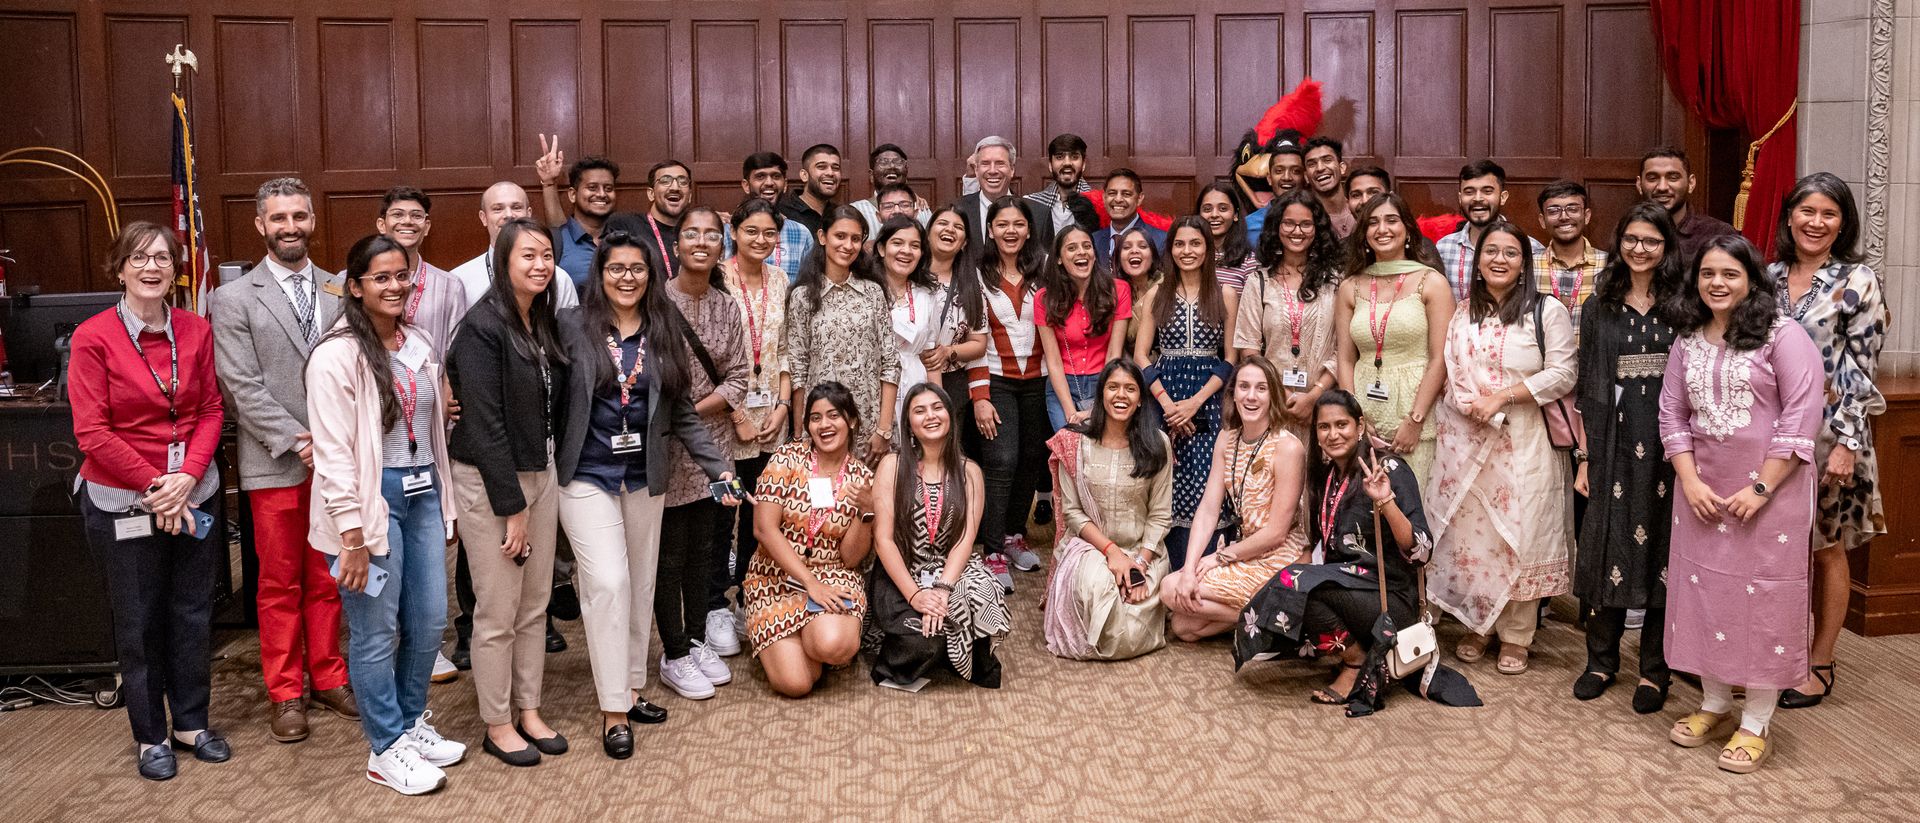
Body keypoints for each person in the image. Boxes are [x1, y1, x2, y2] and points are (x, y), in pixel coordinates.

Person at [553, 232, 736, 759]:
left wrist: (717, 469)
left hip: (642, 476)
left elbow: (680, 412)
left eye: (638, 269)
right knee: (607, 584)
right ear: (599, 274)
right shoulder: (571, 328)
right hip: (585, 476)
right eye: (617, 268)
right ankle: (613, 710)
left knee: (638, 584)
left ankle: (631, 689)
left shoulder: (662, 332)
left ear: (651, 275)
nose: (627, 277)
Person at [70, 222, 229, 780]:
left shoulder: (195, 329)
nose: (152, 267)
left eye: (162, 257)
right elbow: (92, 433)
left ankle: (190, 722)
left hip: (193, 490)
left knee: (190, 612)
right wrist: (157, 486)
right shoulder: (93, 338)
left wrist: (186, 476)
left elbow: (210, 410)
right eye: (139, 258)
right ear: (119, 269)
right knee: (138, 621)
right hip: (124, 500)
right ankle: (150, 735)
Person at [307, 234, 465, 794]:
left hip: (421, 496)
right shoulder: (335, 354)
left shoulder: (419, 341)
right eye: (381, 278)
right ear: (355, 286)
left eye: (402, 276)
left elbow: (433, 432)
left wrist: (445, 503)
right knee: (376, 631)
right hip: (367, 506)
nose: (395, 286)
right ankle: (384, 747)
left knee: (427, 621)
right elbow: (331, 455)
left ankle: (410, 720)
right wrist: (351, 535)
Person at [1658, 234, 1822, 774]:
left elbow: (1801, 420)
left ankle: (1756, 720)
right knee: (1706, 595)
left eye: (1730, 273)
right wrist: (1690, 481)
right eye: (1707, 274)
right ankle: (1714, 703)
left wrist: (1760, 489)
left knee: (1763, 602)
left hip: (1770, 496)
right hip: (1703, 494)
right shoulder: (1688, 339)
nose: (1717, 284)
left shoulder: (1783, 336)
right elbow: (1672, 416)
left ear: (1752, 278)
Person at [209, 177, 360, 743]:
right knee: (277, 584)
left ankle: (328, 676)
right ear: (260, 226)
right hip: (275, 461)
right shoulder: (232, 298)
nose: (290, 227)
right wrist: (301, 440)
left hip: (337, 463)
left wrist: (334, 443)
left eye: (299, 216)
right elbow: (240, 386)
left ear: (312, 221)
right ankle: (286, 691)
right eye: (279, 219)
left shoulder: (340, 288)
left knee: (328, 577)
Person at [1425, 220, 1577, 676]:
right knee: (1477, 539)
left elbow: (1564, 374)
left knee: (1522, 538)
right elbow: (1450, 368)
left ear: (1525, 263)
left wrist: (1503, 398)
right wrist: (1473, 406)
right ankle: (1479, 626)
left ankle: (1516, 635)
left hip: (1525, 443)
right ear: (1477, 260)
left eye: (1511, 253)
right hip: (1469, 445)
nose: (1499, 259)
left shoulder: (1546, 311)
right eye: (1491, 251)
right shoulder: (1464, 310)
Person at [445, 218, 568, 767]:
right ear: (502, 261)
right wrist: (512, 508)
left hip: (541, 471)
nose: (540, 265)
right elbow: (486, 424)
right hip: (495, 481)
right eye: (528, 256)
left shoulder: (538, 319)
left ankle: (529, 708)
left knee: (535, 603)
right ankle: (497, 721)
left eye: (546, 254)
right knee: (497, 609)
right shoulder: (481, 327)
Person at [1770, 172, 1888, 710]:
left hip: (1830, 437)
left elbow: (1861, 371)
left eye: (1829, 214)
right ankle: (1777, 653)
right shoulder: (1767, 275)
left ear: (1843, 223)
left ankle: (1821, 659)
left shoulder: (1857, 280)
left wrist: (1846, 443)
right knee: (1778, 548)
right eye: (1807, 211)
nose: (1816, 223)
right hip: (1770, 434)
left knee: (1826, 547)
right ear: (1789, 215)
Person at [1233, 390, 1434, 704]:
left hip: (1389, 598)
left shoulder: (1389, 469)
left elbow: (1421, 551)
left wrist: (1385, 501)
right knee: (1293, 581)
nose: (1333, 434)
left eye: (1342, 425)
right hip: (1347, 587)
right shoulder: (1327, 476)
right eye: (1324, 427)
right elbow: (1323, 546)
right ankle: (1348, 649)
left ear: (1360, 425)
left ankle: (1354, 663)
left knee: (1301, 588)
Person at [1571, 202, 1684, 712]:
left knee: (1663, 549)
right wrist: (1588, 457)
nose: (1640, 249)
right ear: (1619, 244)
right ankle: (1600, 661)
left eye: (1651, 242)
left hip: (1670, 442)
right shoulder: (1601, 303)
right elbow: (1592, 385)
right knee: (1608, 542)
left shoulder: (1684, 303)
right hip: (1614, 439)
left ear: (1666, 248)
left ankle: (1654, 673)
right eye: (1632, 240)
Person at [657, 206, 751, 700]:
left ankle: (695, 640)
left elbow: (739, 377)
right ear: (676, 245)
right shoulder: (655, 302)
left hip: (713, 444)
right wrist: (676, 417)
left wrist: (690, 411)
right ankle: (671, 648)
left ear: (722, 245)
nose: (700, 241)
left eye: (711, 235)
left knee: (706, 545)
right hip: (660, 444)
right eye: (690, 234)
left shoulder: (725, 305)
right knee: (668, 552)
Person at [868, 383, 1008, 687]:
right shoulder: (892, 466)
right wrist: (916, 596)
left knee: (978, 599)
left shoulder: (969, 471)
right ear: (908, 424)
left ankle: (949, 635)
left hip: (950, 571)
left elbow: (965, 539)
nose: (930, 416)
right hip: (903, 572)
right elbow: (883, 540)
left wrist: (944, 590)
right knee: (923, 644)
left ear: (950, 416)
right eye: (919, 411)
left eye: (937, 408)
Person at [1161, 357, 1309, 641]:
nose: (1251, 396)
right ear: (1233, 394)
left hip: (1280, 558)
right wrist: (1190, 568)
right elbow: (1207, 509)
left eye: (1261, 388)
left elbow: (1277, 533)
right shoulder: (1226, 439)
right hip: (1246, 551)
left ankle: (1280, 614)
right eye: (1243, 386)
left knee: (1170, 588)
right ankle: (1275, 619)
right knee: (1184, 626)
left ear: (1273, 396)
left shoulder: (1288, 446)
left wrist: (1219, 557)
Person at [745, 383, 877, 698]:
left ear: (852, 421)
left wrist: (867, 513)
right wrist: (808, 582)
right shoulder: (788, 458)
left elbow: (850, 559)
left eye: (833, 416)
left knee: (832, 645)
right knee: (796, 684)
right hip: (774, 576)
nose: (824, 425)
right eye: (815, 418)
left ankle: (818, 639)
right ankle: (806, 643)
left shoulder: (862, 480)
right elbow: (764, 529)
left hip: (833, 574)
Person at [707, 199, 795, 656]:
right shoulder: (716, 279)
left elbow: (781, 353)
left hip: (771, 419)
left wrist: (781, 408)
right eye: (751, 231)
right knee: (724, 513)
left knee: (762, 511)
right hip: (726, 421)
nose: (761, 240)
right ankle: (713, 607)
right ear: (734, 232)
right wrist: (738, 415)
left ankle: (745, 595)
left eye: (769, 233)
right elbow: (712, 357)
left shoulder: (781, 280)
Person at [1042, 360, 1174, 660]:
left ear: (1141, 399)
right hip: (1092, 549)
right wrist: (1112, 553)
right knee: (1101, 592)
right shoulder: (1076, 443)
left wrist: (1139, 563)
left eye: (1130, 389)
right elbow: (1073, 513)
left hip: (1144, 552)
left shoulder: (1157, 444)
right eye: (1113, 387)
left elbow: (1160, 514)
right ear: (1101, 394)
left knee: (1130, 609)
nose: (1121, 396)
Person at [1136, 217, 1238, 567]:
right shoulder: (1156, 293)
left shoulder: (1224, 293)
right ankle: (1168, 573)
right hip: (1164, 398)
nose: (1187, 251)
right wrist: (1167, 405)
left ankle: (1205, 571)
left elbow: (1229, 359)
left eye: (1195, 243)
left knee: (1207, 479)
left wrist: (1195, 403)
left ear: (1208, 249)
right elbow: (1140, 354)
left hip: (1208, 402)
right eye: (1180, 244)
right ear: (1170, 249)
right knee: (1168, 483)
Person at [1333, 193, 1455, 483]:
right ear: (1364, 234)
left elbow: (1440, 358)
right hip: (1364, 414)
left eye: (1391, 220)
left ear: (1408, 230)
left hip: (1416, 414)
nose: (1382, 229)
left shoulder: (1432, 282)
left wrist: (1415, 421)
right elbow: (1346, 358)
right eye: (1373, 223)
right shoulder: (1350, 286)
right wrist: (1355, 418)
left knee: (1414, 507)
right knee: (1367, 509)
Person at [972, 196, 1053, 575]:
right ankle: (991, 549)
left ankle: (1014, 536)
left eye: (1018, 224)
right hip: (996, 380)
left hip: (1040, 381)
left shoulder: (1046, 271)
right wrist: (980, 396)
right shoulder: (975, 274)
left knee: (1031, 460)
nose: (1010, 231)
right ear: (990, 230)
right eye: (1002, 224)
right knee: (1001, 460)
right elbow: (974, 339)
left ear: (1029, 230)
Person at [787, 204, 899, 459]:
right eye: (840, 236)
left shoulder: (873, 292)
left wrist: (883, 430)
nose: (848, 245)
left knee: (868, 497)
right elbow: (798, 368)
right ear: (822, 237)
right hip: (820, 428)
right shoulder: (802, 297)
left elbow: (890, 363)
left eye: (856, 239)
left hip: (870, 427)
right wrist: (798, 435)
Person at [1235, 189, 1344, 439]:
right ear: (1276, 227)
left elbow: (1344, 348)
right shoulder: (1258, 281)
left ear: (1317, 229)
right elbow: (1249, 348)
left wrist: (1313, 396)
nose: (1297, 231)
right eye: (1289, 223)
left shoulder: (1336, 282)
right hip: (1271, 406)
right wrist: (1283, 395)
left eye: (1306, 224)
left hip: (1324, 408)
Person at [1037, 225, 1132, 431]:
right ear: (1059, 259)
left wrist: (1098, 405)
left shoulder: (1118, 290)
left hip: (1106, 381)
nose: (1081, 252)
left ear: (1095, 255)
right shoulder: (1045, 298)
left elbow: (1114, 355)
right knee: (1071, 449)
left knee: (1100, 449)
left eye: (1086, 246)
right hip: (1062, 386)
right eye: (1071, 248)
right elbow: (1053, 361)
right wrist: (1072, 414)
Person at [921, 205, 990, 461]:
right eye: (942, 224)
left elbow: (979, 343)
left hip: (952, 385)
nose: (949, 229)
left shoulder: (971, 283)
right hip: (909, 377)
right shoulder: (907, 274)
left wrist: (948, 352)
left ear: (963, 243)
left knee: (947, 456)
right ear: (928, 233)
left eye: (958, 227)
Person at [448, 181, 579, 313]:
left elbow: (570, 331)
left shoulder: (558, 279)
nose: (509, 215)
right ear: (483, 218)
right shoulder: (460, 280)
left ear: (528, 214)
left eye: (516, 207)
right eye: (498, 209)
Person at [373, 187, 469, 362]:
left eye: (416, 216)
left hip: (432, 386)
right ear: (381, 224)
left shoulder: (450, 286)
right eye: (398, 214)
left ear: (426, 227)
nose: (407, 221)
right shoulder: (355, 281)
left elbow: (457, 355)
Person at [1435, 160, 1545, 302]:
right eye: (1469, 192)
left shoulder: (1531, 248)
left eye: (1487, 191)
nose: (1478, 198)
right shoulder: (1443, 248)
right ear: (1460, 198)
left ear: (1503, 197)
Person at [875, 216, 946, 420]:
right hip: (875, 386)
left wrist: (937, 405)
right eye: (897, 243)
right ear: (881, 249)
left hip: (915, 386)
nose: (906, 251)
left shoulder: (926, 295)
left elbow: (931, 358)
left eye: (914, 246)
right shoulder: (867, 291)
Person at [1533, 180, 1608, 347]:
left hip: (1592, 367)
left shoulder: (1609, 265)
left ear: (1586, 216)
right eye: (1553, 211)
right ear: (1542, 220)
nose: (1564, 217)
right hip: (1541, 367)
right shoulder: (1529, 266)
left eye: (1573, 209)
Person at [1637, 146, 1737, 266]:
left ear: (1691, 183)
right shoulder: (1629, 234)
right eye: (1652, 178)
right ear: (1639, 184)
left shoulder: (1718, 234)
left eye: (1673, 178)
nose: (1662, 187)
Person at [535, 153, 624, 283]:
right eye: (592, 187)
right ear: (572, 195)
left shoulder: (623, 241)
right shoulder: (556, 242)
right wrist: (548, 183)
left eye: (608, 188)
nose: (601, 194)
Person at [956, 136, 1052, 250]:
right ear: (976, 170)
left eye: (1000, 163)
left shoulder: (1039, 213)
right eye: (985, 163)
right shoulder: (957, 210)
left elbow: (1048, 264)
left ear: (1012, 169)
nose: (992, 171)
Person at [606, 160, 696, 278]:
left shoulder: (699, 233)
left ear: (689, 196)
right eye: (665, 181)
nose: (675, 187)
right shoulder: (625, 224)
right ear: (651, 193)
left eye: (683, 182)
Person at [735, 152, 815, 281]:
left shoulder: (801, 233)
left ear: (785, 185)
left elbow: (810, 284)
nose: (769, 183)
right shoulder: (729, 231)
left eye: (776, 176)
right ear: (746, 185)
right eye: (760, 176)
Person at [852, 143, 933, 235]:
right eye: (883, 162)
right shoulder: (857, 211)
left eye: (898, 162)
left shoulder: (922, 209)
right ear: (871, 175)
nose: (892, 166)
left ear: (906, 172)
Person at [1195, 182, 1260, 292]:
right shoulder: (1189, 255)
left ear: (1235, 215)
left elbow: (1250, 307)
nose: (1214, 215)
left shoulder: (1248, 262)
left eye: (1223, 209)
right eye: (1207, 209)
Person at [1092, 168, 1165, 266]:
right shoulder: (1093, 240)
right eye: (1112, 193)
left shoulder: (1161, 240)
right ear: (1104, 198)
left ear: (1139, 198)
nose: (1118, 199)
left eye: (1126, 194)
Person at [1114, 226, 1165, 358]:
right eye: (1126, 247)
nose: (1134, 251)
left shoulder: (1167, 287)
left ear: (1153, 256)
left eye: (1142, 246)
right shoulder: (1111, 292)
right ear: (1119, 258)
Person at [1026, 133, 1093, 232]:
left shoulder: (1098, 204)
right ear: (1050, 165)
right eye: (1059, 157)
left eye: (1074, 157)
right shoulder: (1032, 204)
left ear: (1083, 164)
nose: (1067, 163)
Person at [778, 143, 842, 239]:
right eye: (821, 167)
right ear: (804, 175)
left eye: (835, 168)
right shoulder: (783, 212)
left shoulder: (840, 213)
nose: (830, 173)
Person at [1302, 137, 1356, 238]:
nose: (1320, 168)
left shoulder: (1360, 209)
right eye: (1312, 164)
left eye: (1327, 160)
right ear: (1306, 177)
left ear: (1342, 168)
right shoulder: (1304, 218)